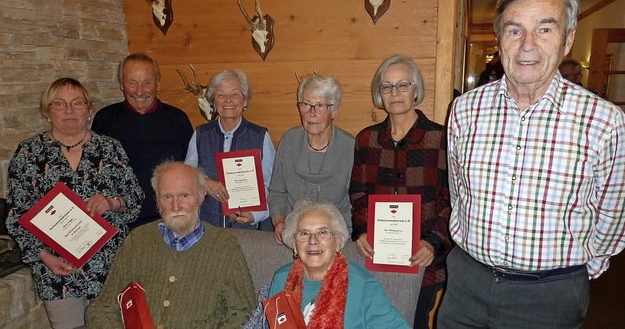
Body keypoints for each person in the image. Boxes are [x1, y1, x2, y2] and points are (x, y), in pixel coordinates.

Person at [440, 0, 625, 327]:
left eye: (544, 29)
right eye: (515, 30)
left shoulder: (604, 121)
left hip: (549, 297)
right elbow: (459, 190)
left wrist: (581, 270)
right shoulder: (464, 110)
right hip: (467, 284)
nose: (528, 45)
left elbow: (613, 214)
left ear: (567, 39)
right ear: (499, 38)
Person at [6, 78, 144, 329]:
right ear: (47, 111)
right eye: (59, 104)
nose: (69, 110)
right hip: (57, 272)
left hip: (111, 267)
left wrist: (112, 202)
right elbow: (16, 214)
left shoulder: (110, 148)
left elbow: (135, 200)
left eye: (77, 103)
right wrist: (42, 255)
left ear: (89, 110)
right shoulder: (28, 153)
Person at [86, 161, 256, 328]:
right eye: (168, 197)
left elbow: (243, 312)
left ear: (201, 195)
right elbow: (103, 306)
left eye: (184, 195)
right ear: (158, 200)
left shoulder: (225, 247)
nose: (176, 206)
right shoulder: (137, 241)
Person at [349, 55, 451, 329]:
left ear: (416, 90)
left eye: (402, 85)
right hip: (376, 256)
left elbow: (453, 201)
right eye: (387, 87)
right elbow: (358, 193)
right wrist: (361, 231)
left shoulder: (441, 139)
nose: (394, 93)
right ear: (379, 94)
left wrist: (433, 243)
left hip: (422, 260)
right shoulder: (366, 139)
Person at [268, 201, 409, 328]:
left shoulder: (362, 284)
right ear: (294, 245)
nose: (313, 241)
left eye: (322, 232)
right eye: (304, 233)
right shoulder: (282, 279)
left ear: (338, 242)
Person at [92, 53, 193, 229]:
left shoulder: (178, 120)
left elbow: (191, 171)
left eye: (147, 83)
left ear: (158, 84)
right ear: (121, 85)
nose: (139, 91)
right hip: (121, 223)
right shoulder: (105, 120)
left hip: (170, 219)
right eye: (132, 83)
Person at [268, 74, 354, 244]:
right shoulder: (289, 141)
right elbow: (277, 192)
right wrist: (278, 221)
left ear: (334, 110)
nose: (311, 113)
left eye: (320, 106)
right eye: (306, 104)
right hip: (293, 235)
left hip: (337, 238)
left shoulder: (349, 147)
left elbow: (355, 202)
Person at [185, 69, 275, 230]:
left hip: (248, 231)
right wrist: (205, 182)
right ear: (213, 101)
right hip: (207, 227)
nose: (228, 101)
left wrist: (256, 214)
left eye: (235, 94)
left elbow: (273, 184)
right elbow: (186, 176)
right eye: (221, 95)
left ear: (245, 100)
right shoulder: (200, 134)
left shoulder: (260, 136)